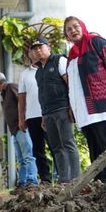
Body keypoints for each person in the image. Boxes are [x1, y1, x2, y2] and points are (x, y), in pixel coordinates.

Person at [63, 17, 106, 181]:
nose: (73, 31)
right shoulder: (71, 56)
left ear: (82, 27)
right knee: (94, 147)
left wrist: (104, 87)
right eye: (69, 29)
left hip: (103, 106)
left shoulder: (96, 42)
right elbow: (73, 84)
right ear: (66, 35)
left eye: (75, 27)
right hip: (85, 111)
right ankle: (100, 183)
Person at [32, 37, 81, 183]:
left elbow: (70, 84)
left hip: (63, 108)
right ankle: (64, 180)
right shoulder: (38, 72)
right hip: (48, 114)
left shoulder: (60, 61)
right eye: (35, 49)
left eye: (41, 47)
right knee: (56, 147)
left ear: (48, 47)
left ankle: (76, 179)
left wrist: (72, 107)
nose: (38, 50)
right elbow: (42, 94)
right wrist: (43, 116)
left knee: (68, 143)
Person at [0, 72, 39, 186]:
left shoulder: (11, 87)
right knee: (21, 159)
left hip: (21, 127)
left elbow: (23, 102)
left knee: (28, 155)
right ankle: (22, 182)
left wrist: (23, 120)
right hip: (14, 130)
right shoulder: (4, 93)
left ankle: (32, 180)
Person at [17, 47, 52, 184]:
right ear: (29, 55)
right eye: (32, 50)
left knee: (55, 146)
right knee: (38, 150)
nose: (35, 53)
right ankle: (45, 179)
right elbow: (21, 97)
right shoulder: (25, 74)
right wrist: (21, 118)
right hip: (32, 116)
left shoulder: (50, 68)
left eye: (38, 49)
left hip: (50, 113)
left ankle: (63, 177)